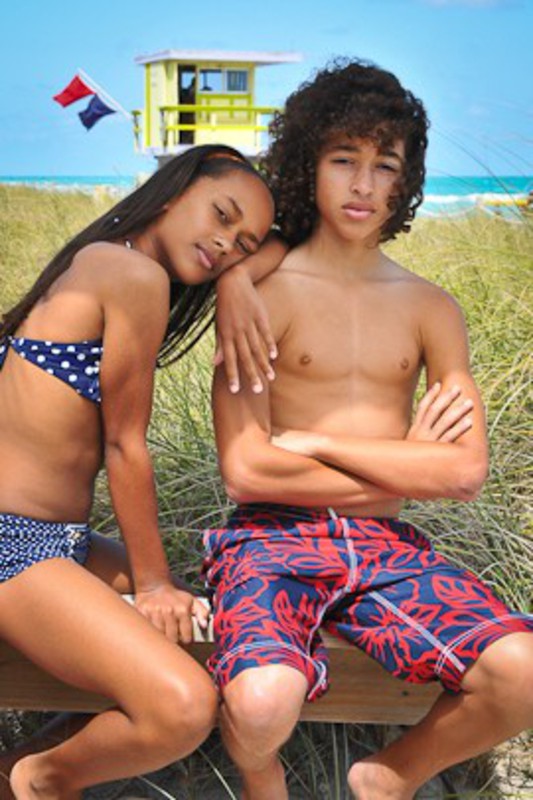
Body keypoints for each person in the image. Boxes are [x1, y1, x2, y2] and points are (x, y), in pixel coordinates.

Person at [203, 61, 533, 800]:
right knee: (261, 705)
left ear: (404, 180)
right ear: (308, 164)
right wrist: (407, 461)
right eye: (343, 159)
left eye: (384, 165)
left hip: (387, 548)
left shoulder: (430, 309)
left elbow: (461, 473)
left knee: (522, 672)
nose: (362, 185)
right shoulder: (260, 295)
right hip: (271, 538)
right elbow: (248, 471)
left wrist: (316, 443)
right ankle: (263, 780)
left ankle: (387, 777)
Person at [0, 143, 283, 799]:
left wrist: (237, 278)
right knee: (182, 704)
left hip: (57, 541)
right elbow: (125, 445)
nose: (226, 244)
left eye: (242, 244)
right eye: (221, 215)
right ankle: (39, 779)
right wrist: (152, 584)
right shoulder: (130, 274)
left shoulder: (105, 259)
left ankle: (15, 770)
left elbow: (290, 241)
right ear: (173, 191)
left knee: (207, 629)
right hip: (11, 542)